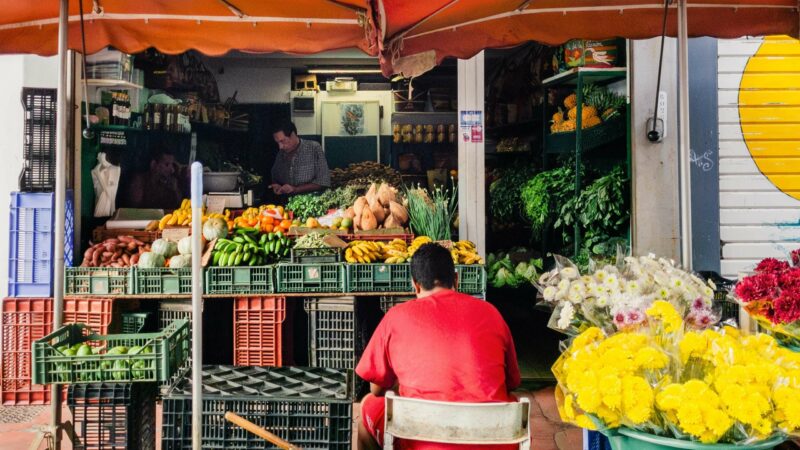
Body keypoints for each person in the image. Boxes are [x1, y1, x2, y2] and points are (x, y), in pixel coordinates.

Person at [356, 243, 521, 450]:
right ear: (456, 280)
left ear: (415, 285)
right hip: (495, 440)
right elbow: (512, 383)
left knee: (367, 405)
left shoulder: (396, 316)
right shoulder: (492, 313)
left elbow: (377, 389)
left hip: (419, 439)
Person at [270, 119, 330, 196]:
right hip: (286, 204)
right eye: (278, 143)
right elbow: (275, 177)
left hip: (310, 202)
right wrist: (277, 186)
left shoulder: (313, 148)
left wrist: (296, 189)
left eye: (283, 141)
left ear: (292, 135)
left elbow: (324, 181)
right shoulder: (281, 153)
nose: (280, 147)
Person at [125, 147, 185, 211]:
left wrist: (175, 190)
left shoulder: (172, 182)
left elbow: (179, 207)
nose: (172, 170)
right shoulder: (140, 180)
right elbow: (134, 207)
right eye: (167, 165)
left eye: (172, 165)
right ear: (153, 164)